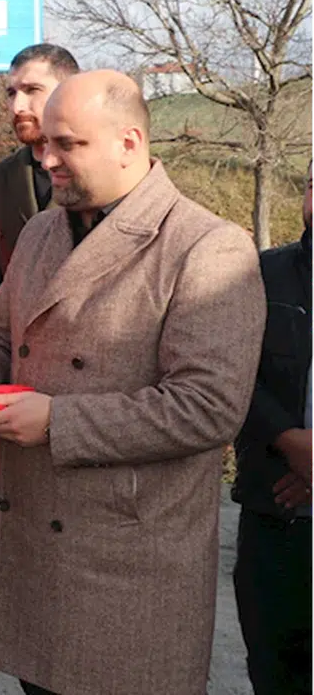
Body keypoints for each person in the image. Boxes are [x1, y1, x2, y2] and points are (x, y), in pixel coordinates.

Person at [0, 69, 266, 695]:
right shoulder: (43, 229)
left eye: (67, 145)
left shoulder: (207, 248)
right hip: (38, 547)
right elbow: (0, 334)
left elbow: (208, 409)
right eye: (44, 144)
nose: (47, 161)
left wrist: (56, 421)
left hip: (128, 565)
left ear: (129, 142)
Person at [230, 157, 313, 695]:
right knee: (274, 670)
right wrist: (290, 441)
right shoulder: (259, 274)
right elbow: (229, 374)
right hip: (275, 509)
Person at [0, 44, 79, 331]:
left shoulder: (104, 173)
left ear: (69, 92)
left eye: (32, 90)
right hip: (18, 355)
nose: (18, 107)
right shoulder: (1, 178)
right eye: (12, 93)